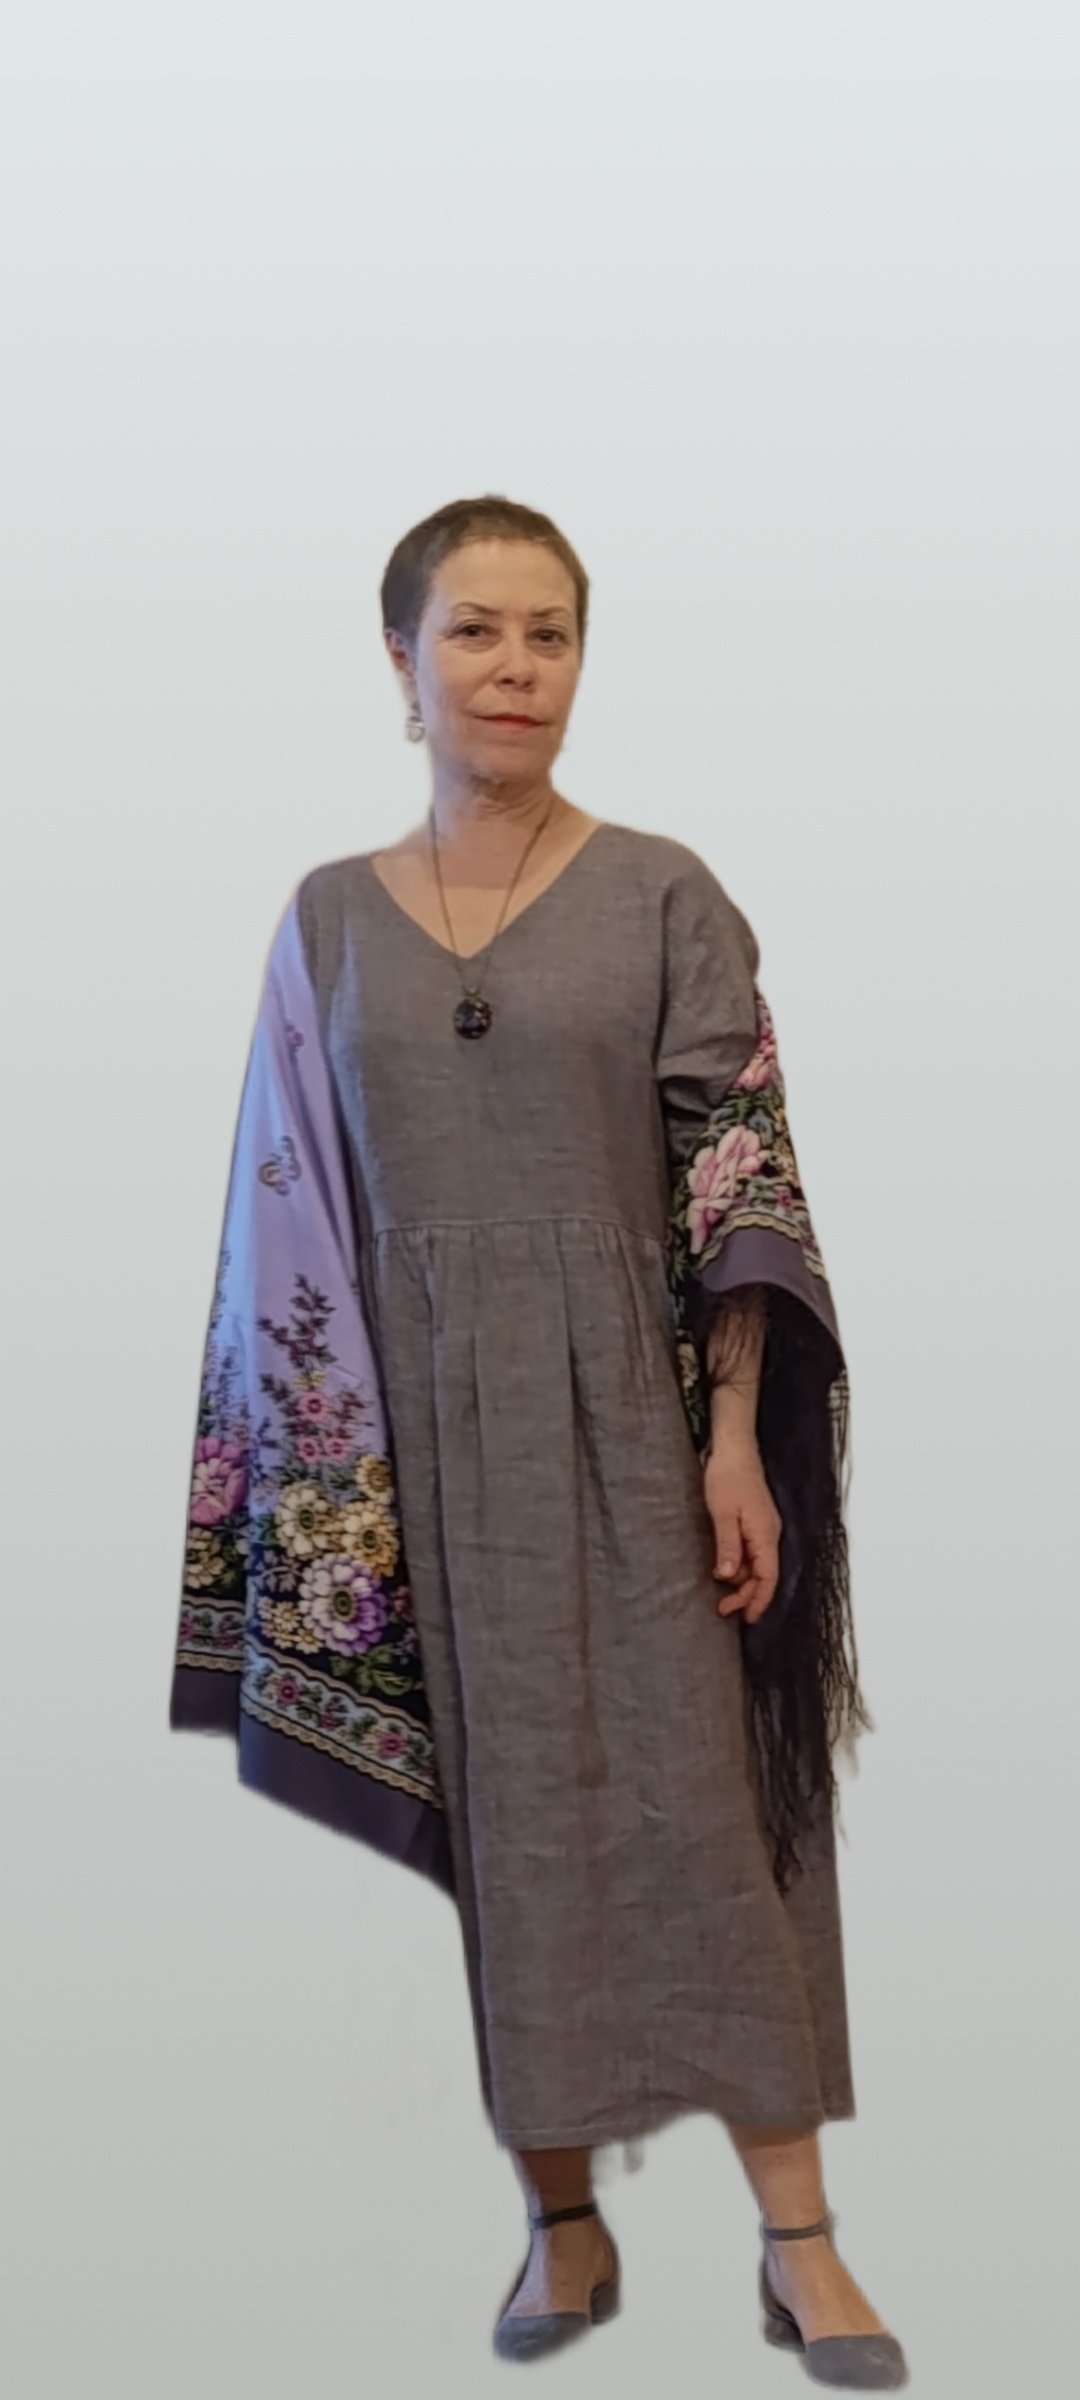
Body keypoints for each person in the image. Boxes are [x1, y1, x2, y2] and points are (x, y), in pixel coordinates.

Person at [169, 494, 908, 2385]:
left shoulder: (662, 889)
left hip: (641, 1414)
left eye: (550, 634)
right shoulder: (327, 916)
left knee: (715, 1812)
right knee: (517, 1830)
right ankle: (561, 2220)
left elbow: (736, 1166)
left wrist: (735, 1441)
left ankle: (799, 2239)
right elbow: (286, 1205)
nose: (515, 669)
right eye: (476, 631)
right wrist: (329, 1491)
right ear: (401, 659)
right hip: (420, 1430)